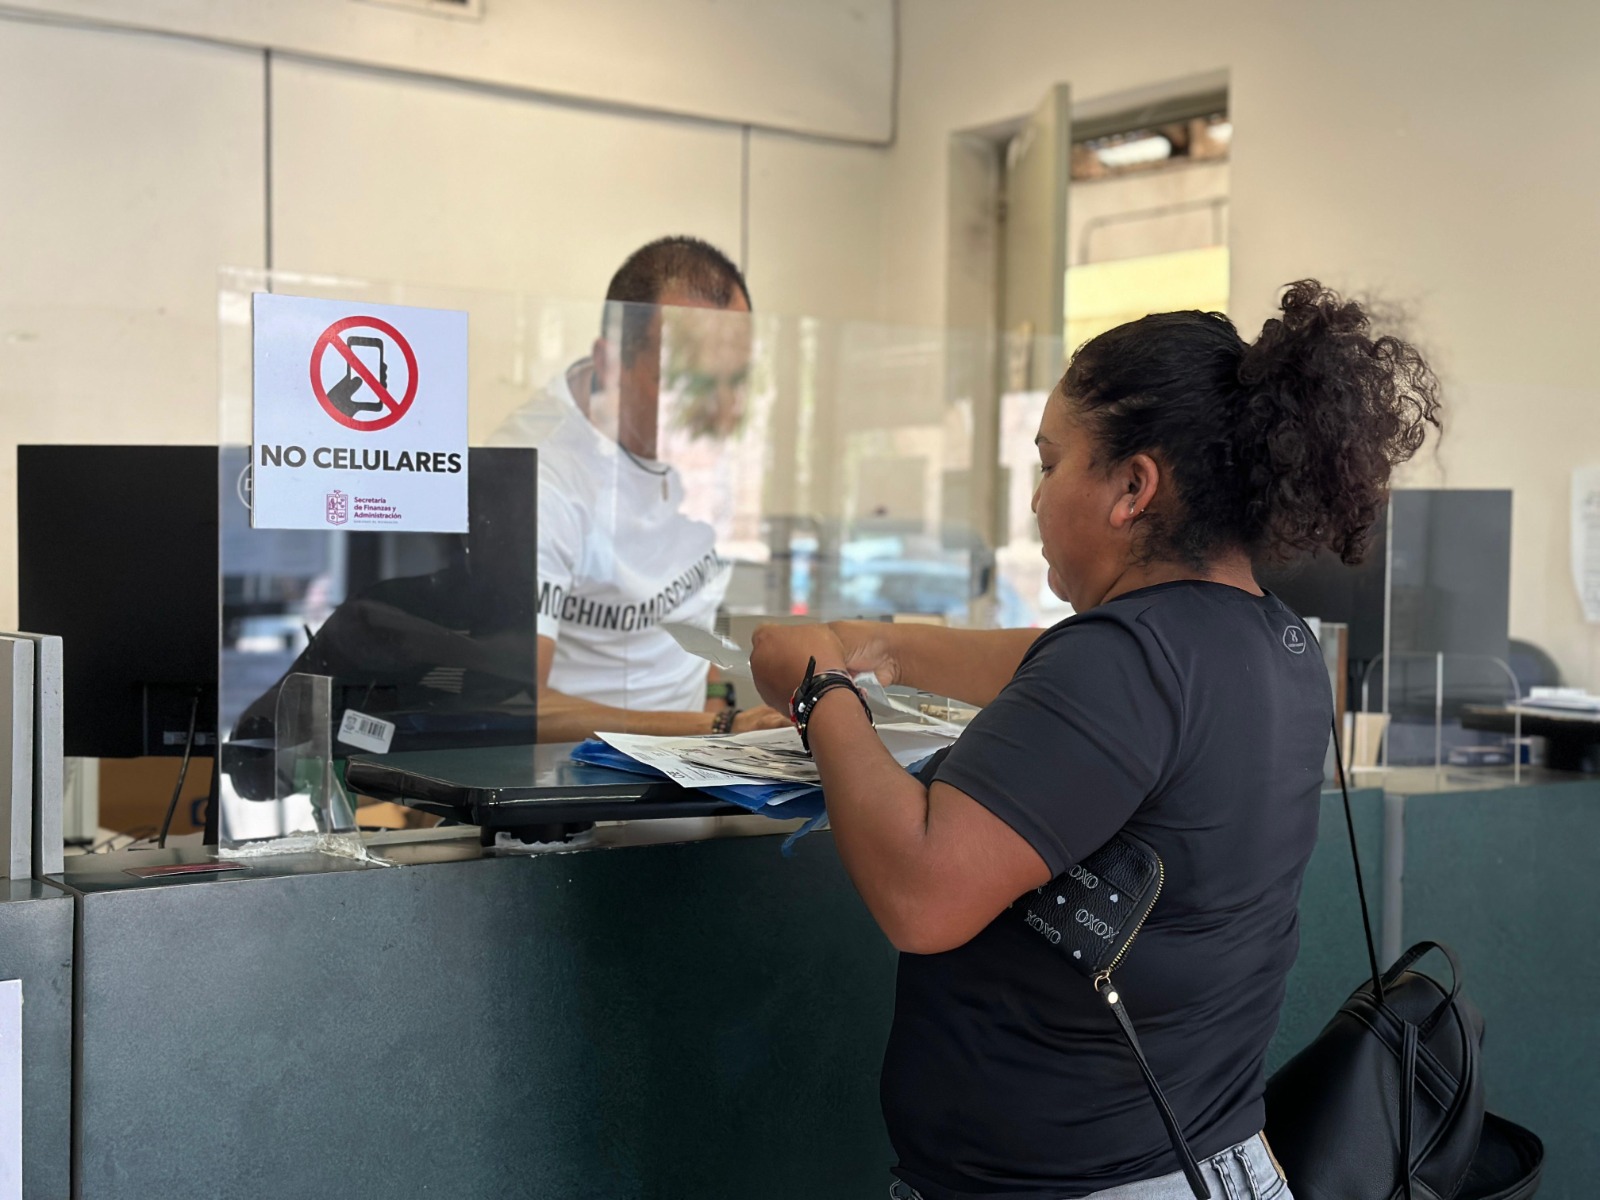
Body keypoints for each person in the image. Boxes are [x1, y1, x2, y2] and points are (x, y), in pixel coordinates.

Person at [750, 281, 1441, 1200]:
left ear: (1132, 488)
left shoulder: (1127, 663)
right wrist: (871, 646)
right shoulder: (1268, 642)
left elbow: (922, 892)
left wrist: (820, 692)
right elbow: (1041, 669)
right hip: (1212, 1164)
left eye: (1049, 463)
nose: (1036, 499)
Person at [493, 236, 788, 741]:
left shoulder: (706, 443)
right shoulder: (536, 478)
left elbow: (694, 597)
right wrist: (721, 726)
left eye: (734, 379)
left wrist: (717, 698)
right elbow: (516, 705)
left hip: (695, 761)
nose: (719, 411)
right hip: (572, 775)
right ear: (611, 365)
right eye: (689, 382)